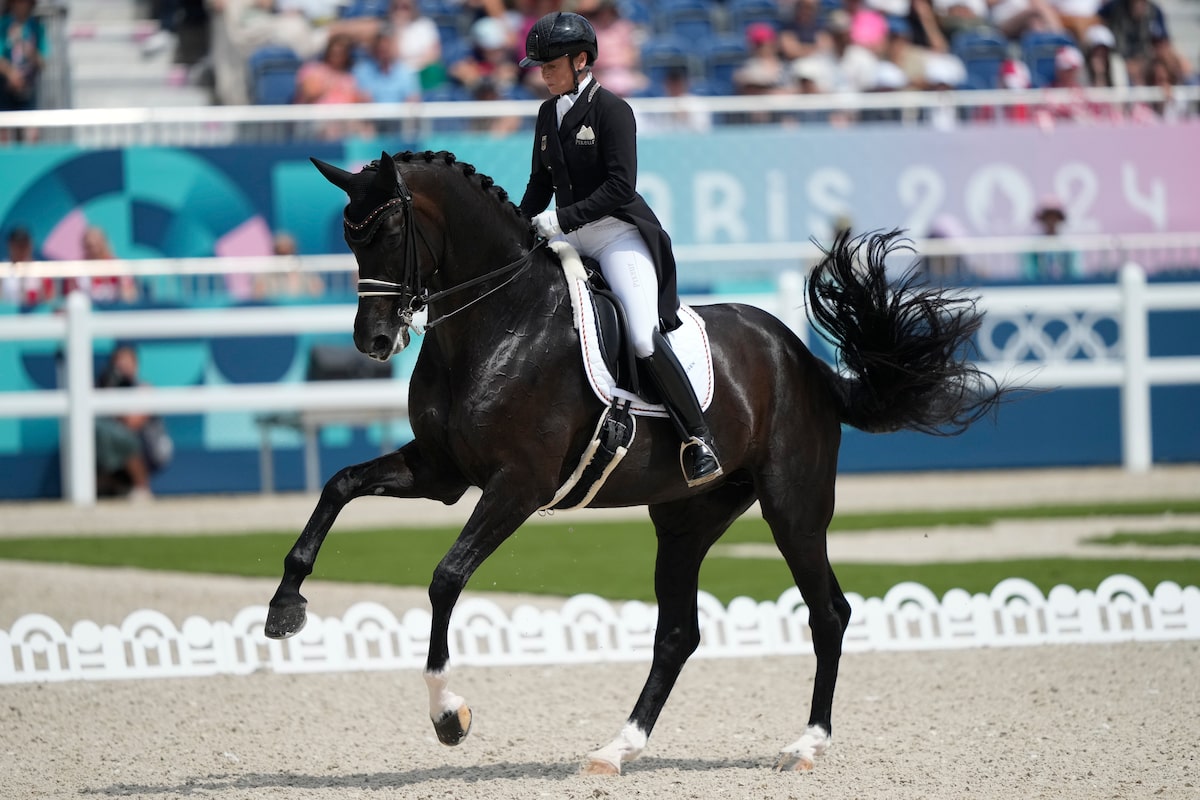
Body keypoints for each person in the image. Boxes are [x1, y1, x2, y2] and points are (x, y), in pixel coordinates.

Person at [517, 11, 722, 488]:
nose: (544, 74)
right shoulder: (547, 114)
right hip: (569, 237)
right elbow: (539, 183)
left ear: (580, 61)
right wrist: (517, 225)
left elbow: (619, 186)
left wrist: (560, 219)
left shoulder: (612, 110)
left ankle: (698, 439)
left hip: (615, 234)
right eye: (541, 66)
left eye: (551, 65)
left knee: (643, 336)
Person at [95, 344, 174, 500]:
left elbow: (133, 422)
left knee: (122, 437)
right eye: (119, 363)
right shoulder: (102, 388)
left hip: (148, 445)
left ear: (135, 365)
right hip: (113, 445)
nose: (123, 367)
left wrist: (112, 401)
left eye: (127, 362)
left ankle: (142, 487)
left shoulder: (143, 389)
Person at [0, 0, 46, 142]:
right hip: (4, 88)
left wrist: (26, 48)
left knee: (31, 134)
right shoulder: (3, 25)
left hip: (28, 88)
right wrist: (11, 74)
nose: (21, 5)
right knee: (3, 133)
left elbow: (43, 62)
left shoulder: (36, 27)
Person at [1022, 196, 1081, 280]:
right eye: (1047, 217)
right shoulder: (1032, 247)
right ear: (1042, 219)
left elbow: (1075, 274)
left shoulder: (1069, 247)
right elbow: (1029, 274)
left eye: (1055, 216)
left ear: (1060, 219)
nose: (1051, 220)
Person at [3, 225, 56, 307]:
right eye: (18, 245)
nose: (21, 249)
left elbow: (50, 300)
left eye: (24, 245)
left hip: (35, 313)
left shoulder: (41, 270)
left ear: (31, 245)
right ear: (10, 245)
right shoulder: (2, 269)